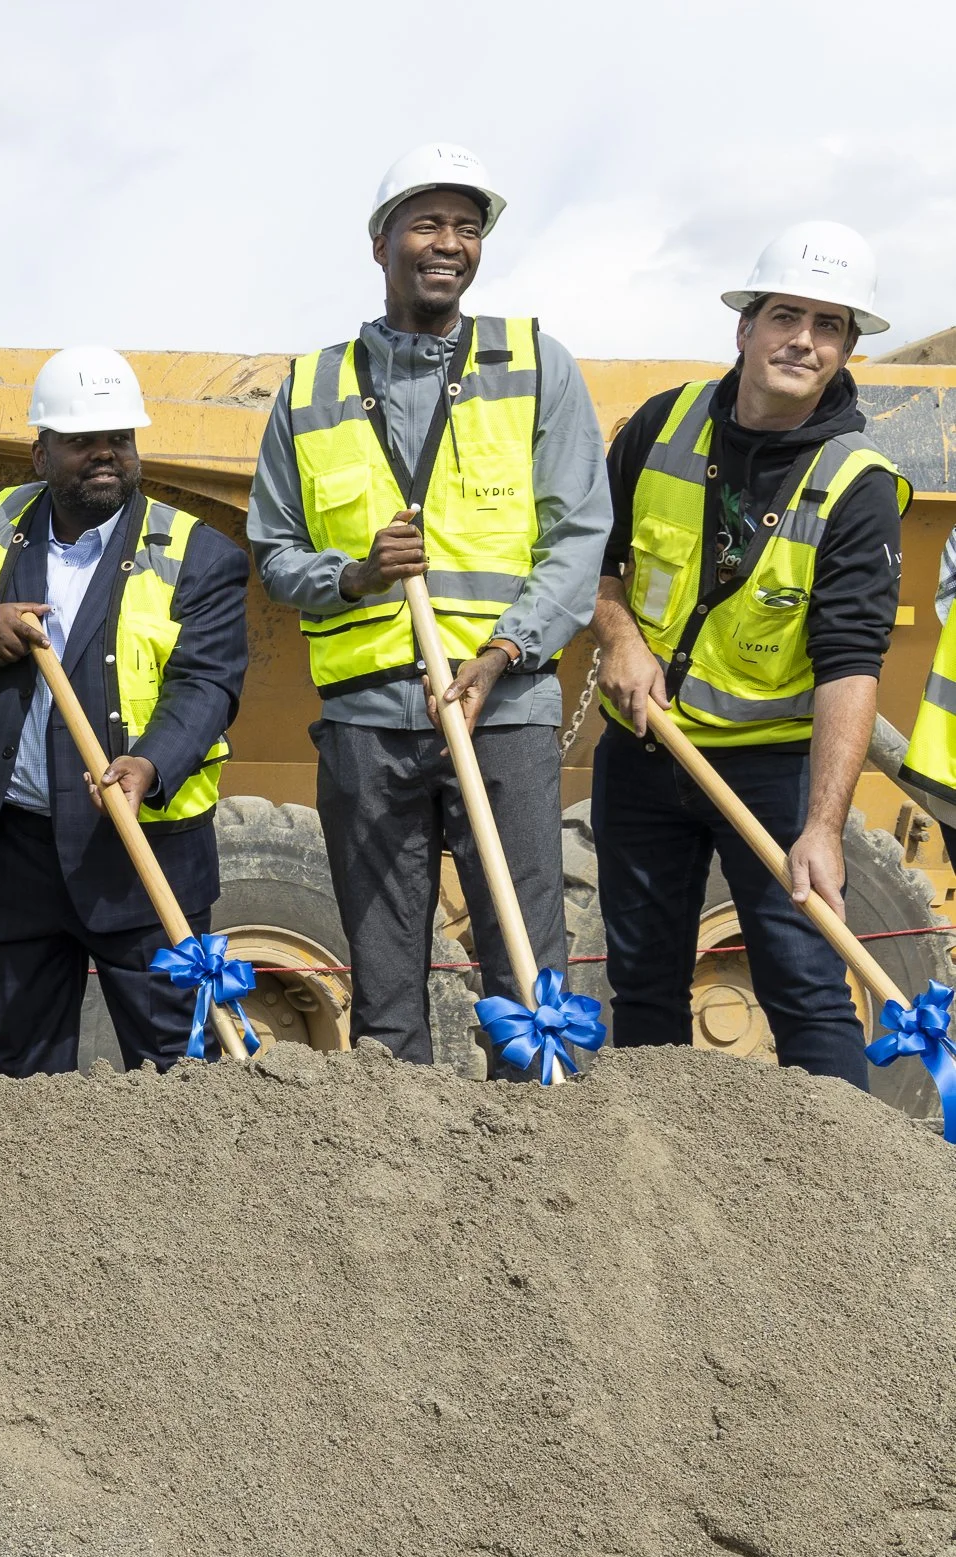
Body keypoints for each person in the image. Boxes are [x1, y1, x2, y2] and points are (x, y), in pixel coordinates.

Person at [249, 143, 609, 1072]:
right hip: (369, 722)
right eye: (426, 223)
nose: (448, 243)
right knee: (384, 985)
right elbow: (276, 553)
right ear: (381, 244)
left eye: (466, 226)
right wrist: (359, 577)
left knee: (527, 972)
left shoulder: (536, 364)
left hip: (504, 710)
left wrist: (506, 651)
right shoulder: (310, 387)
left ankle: (543, 1166)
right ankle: (402, 1192)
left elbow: (579, 534)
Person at [593, 223, 905, 1088]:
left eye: (829, 325)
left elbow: (851, 666)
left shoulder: (857, 484)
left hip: (773, 777)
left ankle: (850, 1187)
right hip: (648, 754)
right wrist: (620, 637)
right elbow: (598, 562)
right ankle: (654, 1183)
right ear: (744, 327)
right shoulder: (663, 421)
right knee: (643, 988)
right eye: (785, 315)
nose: (803, 340)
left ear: (847, 351)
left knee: (805, 987)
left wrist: (823, 829)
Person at [0, 348, 249, 1074]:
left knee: (176, 1067)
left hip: (140, 848)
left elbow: (206, 684)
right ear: (40, 451)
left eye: (118, 439)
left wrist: (149, 764)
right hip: (17, 852)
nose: (105, 456)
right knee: (24, 1071)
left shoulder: (197, 553)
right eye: (83, 440)